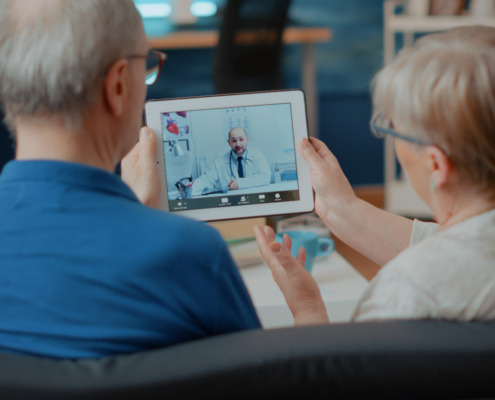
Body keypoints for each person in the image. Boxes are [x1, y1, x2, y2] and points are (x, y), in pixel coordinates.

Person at [0, 0, 260, 359]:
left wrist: (134, 209)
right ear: (119, 84)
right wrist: (308, 308)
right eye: (147, 65)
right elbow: (260, 380)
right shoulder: (192, 252)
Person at [255, 25, 495, 325]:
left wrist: (307, 307)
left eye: (393, 129)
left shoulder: (407, 291)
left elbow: (335, 373)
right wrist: (340, 206)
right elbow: (458, 245)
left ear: (436, 165)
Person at [191, 126, 271, 195]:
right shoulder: (219, 163)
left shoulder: (257, 156)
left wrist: (239, 184)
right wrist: (188, 189)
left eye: (241, 139)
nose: (238, 144)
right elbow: (206, 180)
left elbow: (265, 177)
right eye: (234, 141)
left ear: (247, 140)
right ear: (229, 142)